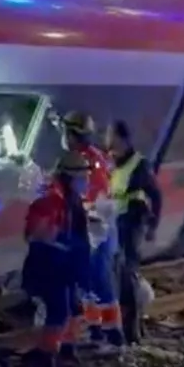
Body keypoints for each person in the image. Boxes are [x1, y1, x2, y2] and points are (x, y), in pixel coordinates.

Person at [22, 150, 92, 365]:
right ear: (70, 176)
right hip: (50, 263)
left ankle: (67, 348)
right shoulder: (52, 199)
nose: (86, 180)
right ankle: (46, 355)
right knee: (59, 309)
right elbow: (36, 233)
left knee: (72, 305)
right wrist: (61, 241)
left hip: (65, 262)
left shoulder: (70, 199)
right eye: (82, 176)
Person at [61, 111, 123, 349]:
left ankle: (113, 335)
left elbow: (93, 199)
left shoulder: (90, 162)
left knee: (99, 280)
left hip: (97, 230)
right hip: (90, 228)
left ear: (73, 134)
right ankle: (96, 331)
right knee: (87, 283)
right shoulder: (84, 157)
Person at [106, 120, 162, 344]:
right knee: (115, 275)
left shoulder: (139, 164)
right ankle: (121, 326)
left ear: (122, 138)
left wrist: (153, 226)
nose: (107, 139)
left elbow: (156, 196)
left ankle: (132, 330)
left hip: (132, 224)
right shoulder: (111, 162)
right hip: (112, 223)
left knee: (127, 275)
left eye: (111, 135)